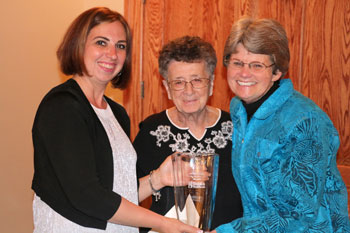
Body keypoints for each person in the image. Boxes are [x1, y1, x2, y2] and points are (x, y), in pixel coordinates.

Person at [31, 7, 203, 233]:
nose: (112, 54)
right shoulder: (62, 106)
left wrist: (158, 179)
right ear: (78, 45)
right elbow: (86, 195)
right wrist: (162, 223)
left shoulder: (117, 113)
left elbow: (117, 195)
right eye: (101, 42)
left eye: (121, 46)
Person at [212, 17, 350, 232]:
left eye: (257, 65)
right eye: (237, 63)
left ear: (277, 72)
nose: (244, 73)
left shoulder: (306, 121)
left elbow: (299, 213)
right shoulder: (239, 109)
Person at [133, 36, 243, 232]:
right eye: (179, 82)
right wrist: (157, 178)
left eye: (197, 80)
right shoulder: (151, 131)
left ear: (211, 84)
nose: (188, 90)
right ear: (166, 87)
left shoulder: (237, 127)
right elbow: (124, 198)